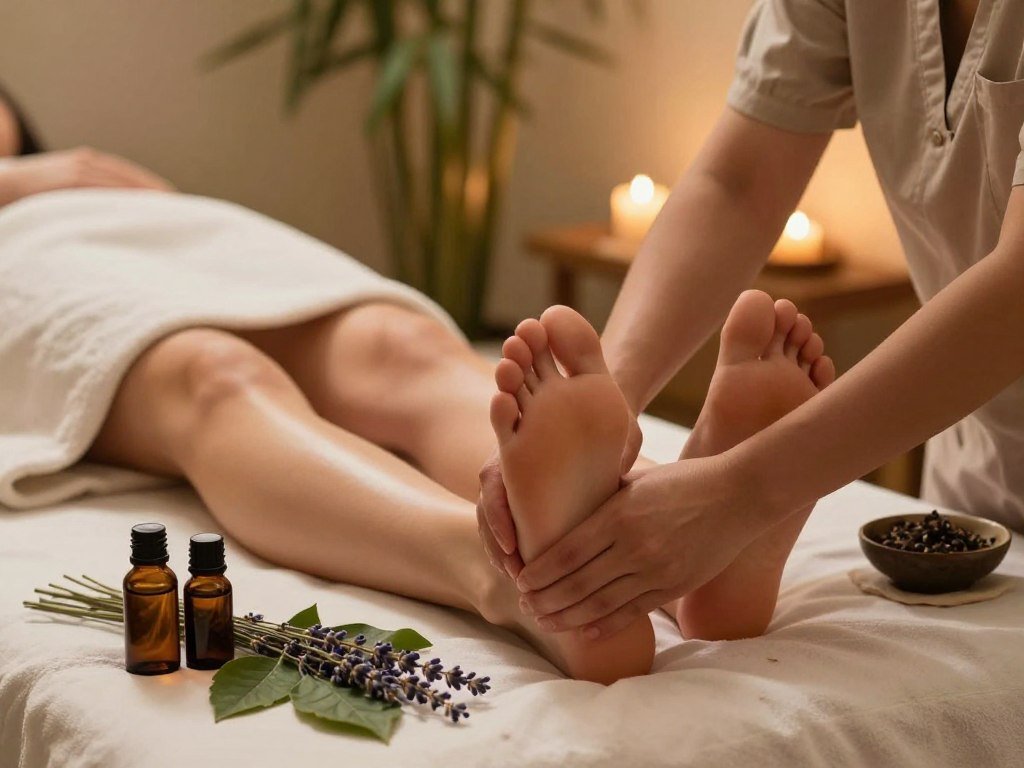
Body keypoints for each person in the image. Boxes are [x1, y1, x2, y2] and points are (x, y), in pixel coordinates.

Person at [0, 88, 834, 683]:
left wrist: (63, 174)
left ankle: (679, 524)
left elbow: (158, 204)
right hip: (32, 271)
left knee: (406, 350)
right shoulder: (32, 191)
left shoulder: (82, 169)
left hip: (188, 240)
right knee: (216, 376)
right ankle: (501, 578)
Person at [478, 0, 1024, 642]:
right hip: (978, 494)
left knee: (404, 374)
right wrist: (611, 400)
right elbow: (739, 182)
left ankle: (588, 613)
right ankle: (663, 592)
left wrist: (740, 496)